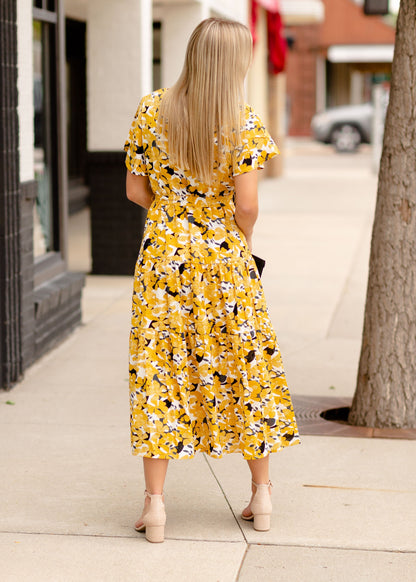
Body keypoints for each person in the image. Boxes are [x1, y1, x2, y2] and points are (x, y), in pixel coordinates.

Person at [124, 17, 300, 543]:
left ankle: (155, 508)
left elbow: (135, 191)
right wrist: (230, 236)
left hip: (163, 263)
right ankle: (262, 494)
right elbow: (247, 205)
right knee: (245, 368)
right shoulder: (243, 120)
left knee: (161, 372)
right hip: (224, 262)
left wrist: (175, 221)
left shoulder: (152, 109)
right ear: (238, 62)